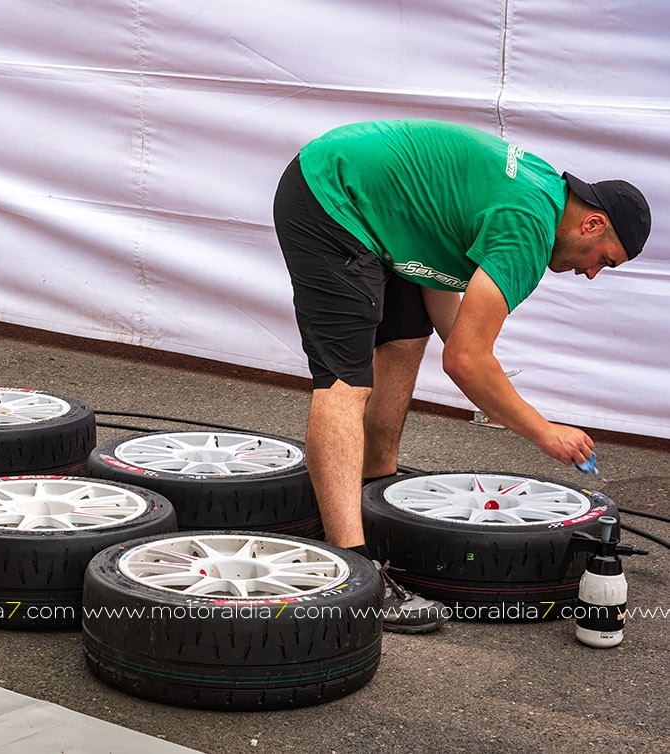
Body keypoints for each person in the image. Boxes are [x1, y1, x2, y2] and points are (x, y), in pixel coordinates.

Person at [272, 119, 651, 633]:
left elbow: (443, 277)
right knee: (346, 383)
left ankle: (371, 493)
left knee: (406, 342)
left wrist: (491, 385)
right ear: (592, 224)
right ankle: (354, 572)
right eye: (604, 260)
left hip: (382, 210)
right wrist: (543, 431)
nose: (591, 273)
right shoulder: (530, 228)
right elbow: (467, 361)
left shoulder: (543, 190)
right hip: (332, 196)